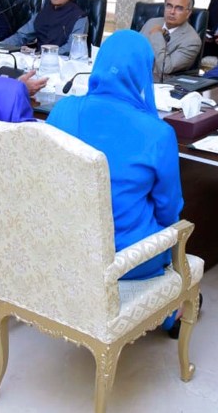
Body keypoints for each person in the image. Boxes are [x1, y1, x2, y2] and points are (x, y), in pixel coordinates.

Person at [47, 30, 182, 280]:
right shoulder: (159, 133)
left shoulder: (62, 109)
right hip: (126, 258)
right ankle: (167, 308)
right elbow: (168, 209)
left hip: (64, 244)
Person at [3, 0, 87, 56]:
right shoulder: (44, 12)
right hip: (38, 59)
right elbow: (22, 36)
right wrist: (0, 46)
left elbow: (71, 48)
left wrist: (43, 55)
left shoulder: (79, 17)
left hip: (62, 62)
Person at [139, 0, 202, 81]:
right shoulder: (151, 22)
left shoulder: (192, 41)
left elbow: (165, 68)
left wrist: (157, 35)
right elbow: (134, 49)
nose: (172, 12)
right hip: (133, 76)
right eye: (169, 6)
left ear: (188, 13)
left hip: (158, 84)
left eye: (179, 8)